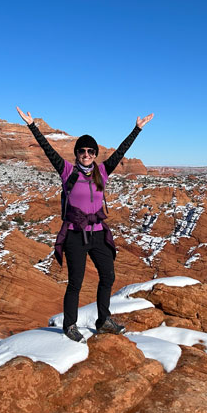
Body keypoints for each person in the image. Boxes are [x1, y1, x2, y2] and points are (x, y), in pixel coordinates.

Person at [16, 106, 154, 342]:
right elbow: (47, 149)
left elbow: (121, 152)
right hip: (74, 235)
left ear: (95, 153)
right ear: (77, 153)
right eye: (82, 151)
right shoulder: (67, 170)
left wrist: (137, 129)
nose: (87, 154)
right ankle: (70, 325)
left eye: (91, 151)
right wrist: (31, 125)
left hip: (98, 232)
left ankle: (103, 321)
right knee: (76, 282)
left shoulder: (102, 171)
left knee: (108, 276)